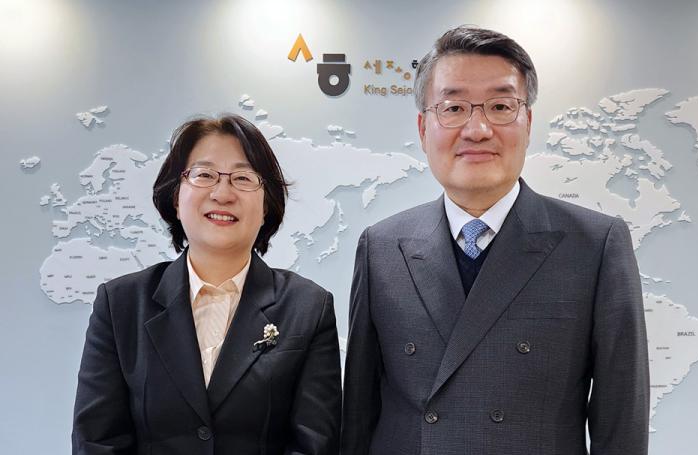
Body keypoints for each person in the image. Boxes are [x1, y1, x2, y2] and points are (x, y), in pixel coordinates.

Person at [341, 26, 649, 454]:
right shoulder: (381, 247)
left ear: (528, 123)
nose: (478, 129)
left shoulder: (595, 245)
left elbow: (621, 424)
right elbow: (358, 417)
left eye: (501, 106)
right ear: (423, 128)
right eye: (453, 108)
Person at [73, 114, 341, 454]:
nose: (222, 193)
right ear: (175, 197)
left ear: (266, 206)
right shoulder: (121, 304)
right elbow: (97, 441)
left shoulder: (308, 307)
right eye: (204, 175)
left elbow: (314, 444)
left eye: (243, 178)